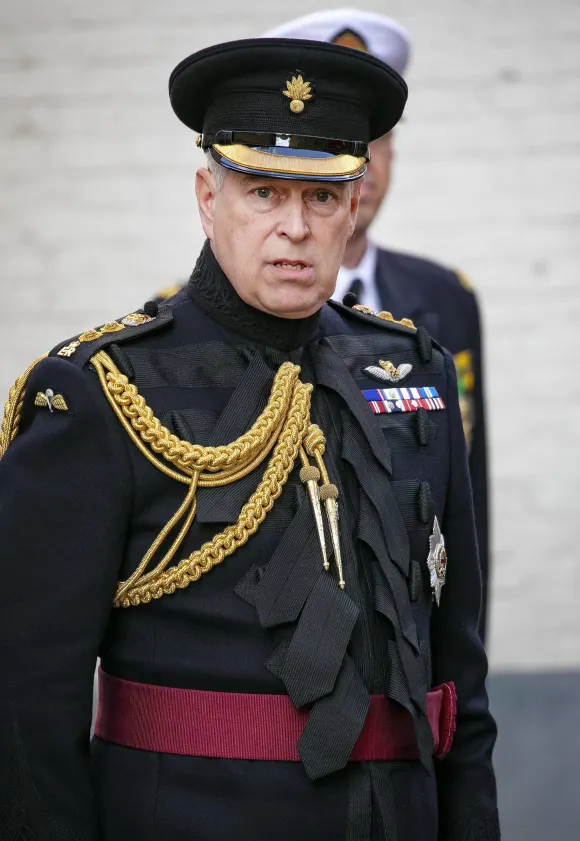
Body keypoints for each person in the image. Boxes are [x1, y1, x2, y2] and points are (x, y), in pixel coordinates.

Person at [0, 37, 498, 841]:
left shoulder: (414, 372)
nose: (294, 228)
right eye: (263, 193)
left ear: (355, 203)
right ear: (207, 196)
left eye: (322, 199)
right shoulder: (101, 392)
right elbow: (27, 707)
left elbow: (460, 689)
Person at [265, 8, 491, 643]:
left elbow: (467, 508)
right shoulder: (193, 320)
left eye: (376, 137)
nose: (362, 161)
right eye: (337, 141)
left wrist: (464, 665)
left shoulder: (445, 299)